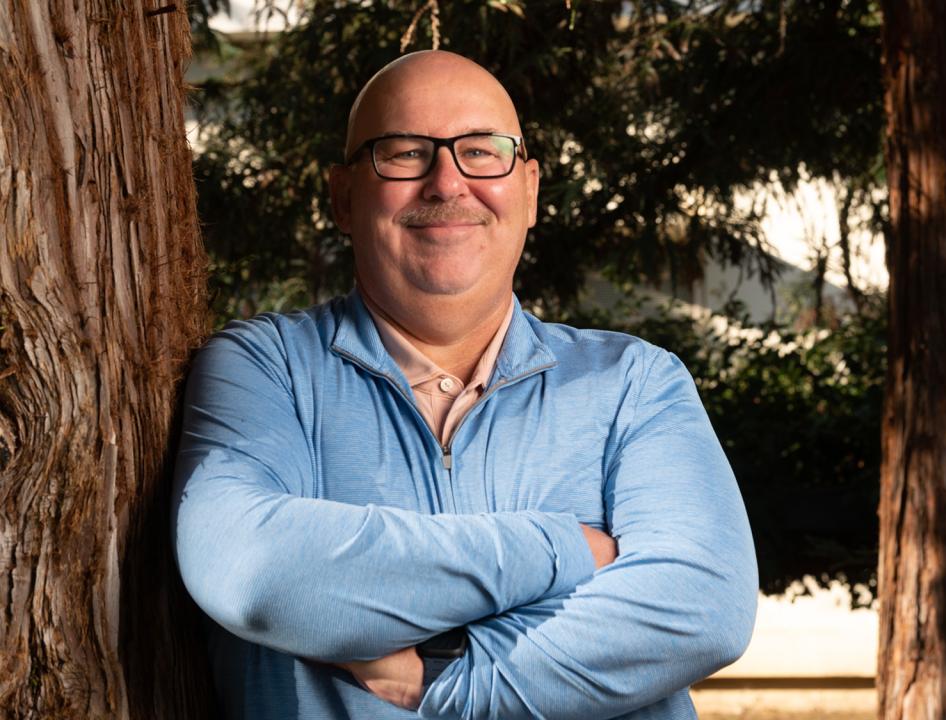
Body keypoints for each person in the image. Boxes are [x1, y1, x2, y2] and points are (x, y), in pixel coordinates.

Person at [172, 50, 757, 720]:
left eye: (483, 151)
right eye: (404, 152)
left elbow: (703, 605)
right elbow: (254, 572)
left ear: (530, 189)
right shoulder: (263, 367)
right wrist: (564, 548)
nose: (447, 182)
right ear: (343, 196)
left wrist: (446, 677)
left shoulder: (636, 384)